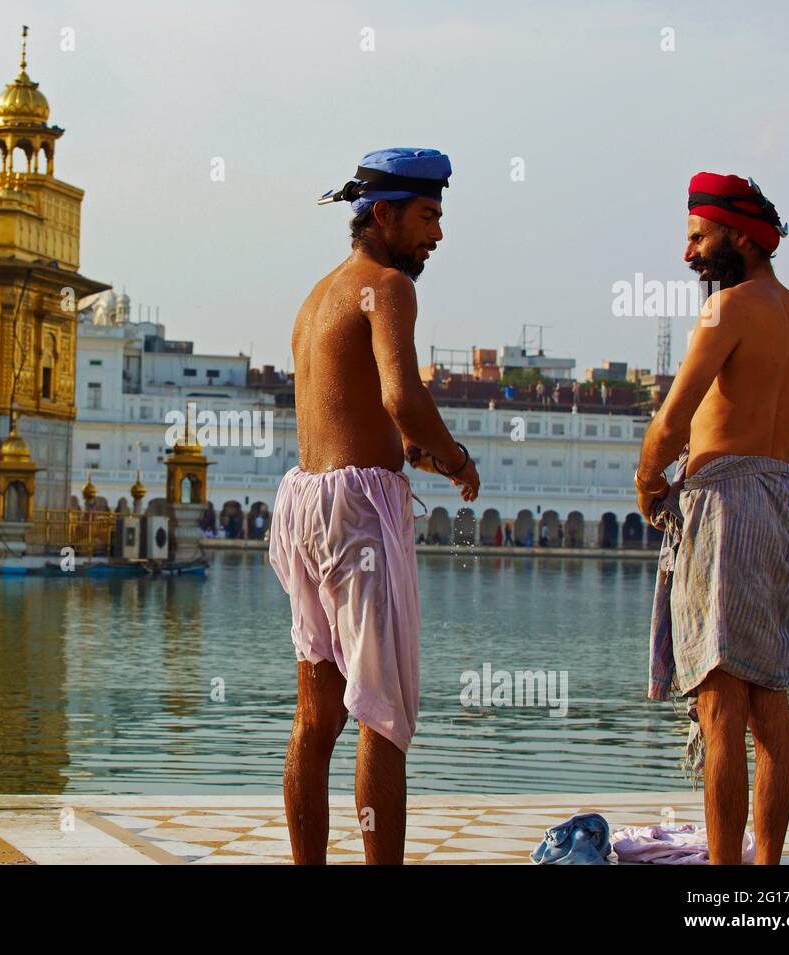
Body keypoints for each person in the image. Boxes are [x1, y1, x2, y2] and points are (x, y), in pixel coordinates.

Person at [268, 148, 479, 865]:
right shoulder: (389, 287)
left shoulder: (317, 294)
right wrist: (454, 458)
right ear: (381, 215)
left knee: (314, 715)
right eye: (427, 217)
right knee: (382, 718)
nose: (437, 236)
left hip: (305, 499)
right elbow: (400, 395)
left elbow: (353, 406)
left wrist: (403, 443)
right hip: (359, 508)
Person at [639, 172, 789, 866]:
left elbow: (670, 421)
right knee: (770, 705)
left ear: (742, 236)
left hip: (726, 505)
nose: (689, 253)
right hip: (783, 502)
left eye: (699, 236)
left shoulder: (728, 312)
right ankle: (764, 872)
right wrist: (770, 442)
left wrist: (647, 476)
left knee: (721, 707)